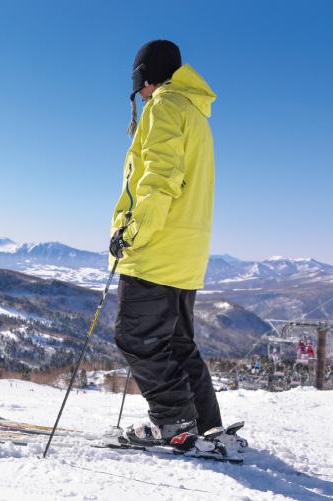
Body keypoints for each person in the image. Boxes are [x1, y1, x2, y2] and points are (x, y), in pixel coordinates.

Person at [108, 40, 239, 449]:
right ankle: (203, 425)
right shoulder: (195, 113)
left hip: (155, 252)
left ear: (147, 77)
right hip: (185, 257)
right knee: (176, 344)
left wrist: (130, 233)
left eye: (138, 85)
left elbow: (160, 179)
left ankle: (174, 422)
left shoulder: (164, 106)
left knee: (136, 338)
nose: (139, 94)